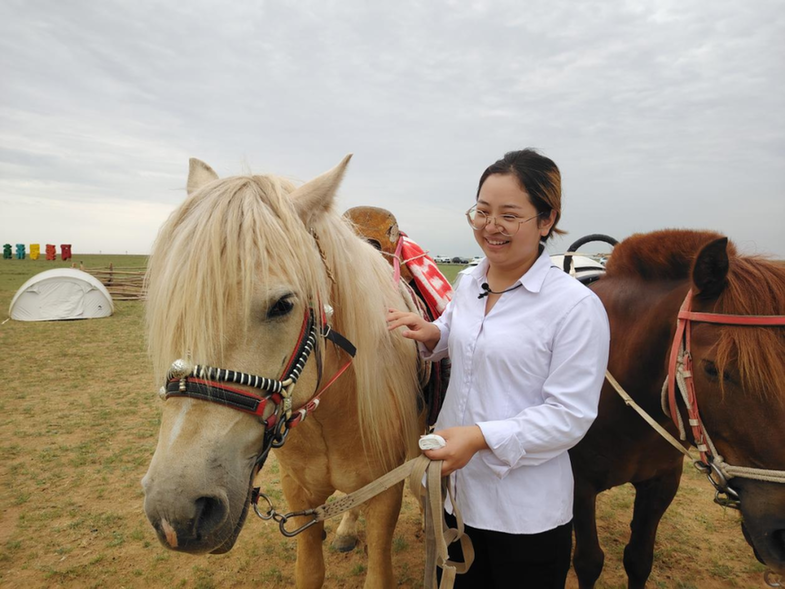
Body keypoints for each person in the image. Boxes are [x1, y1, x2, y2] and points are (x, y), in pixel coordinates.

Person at [387, 149, 610, 588]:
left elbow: (570, 416)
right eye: (483, 211)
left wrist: (480, 436)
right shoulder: (471, 280)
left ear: (546, 221)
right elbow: (458, 329)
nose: (491, 226)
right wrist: (434, 333)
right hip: (454, 496)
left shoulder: (576, 307)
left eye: (510, 214)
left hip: (523, 514)